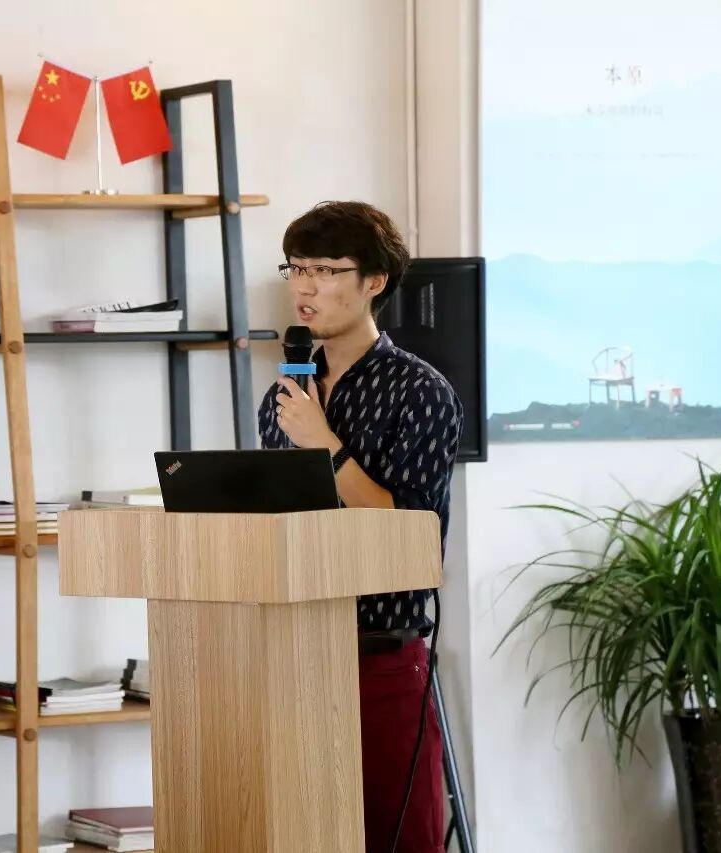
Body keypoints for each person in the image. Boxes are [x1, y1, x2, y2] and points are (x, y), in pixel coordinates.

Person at [258, 200, 463, 853]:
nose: (305, 286)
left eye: (325, 270)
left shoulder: (421, 392)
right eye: (296, 269)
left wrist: (326, 446)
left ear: (374, 281)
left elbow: (410, 534)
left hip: (380, 658)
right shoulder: (285, 398)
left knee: (402, 838)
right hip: (291, 656)